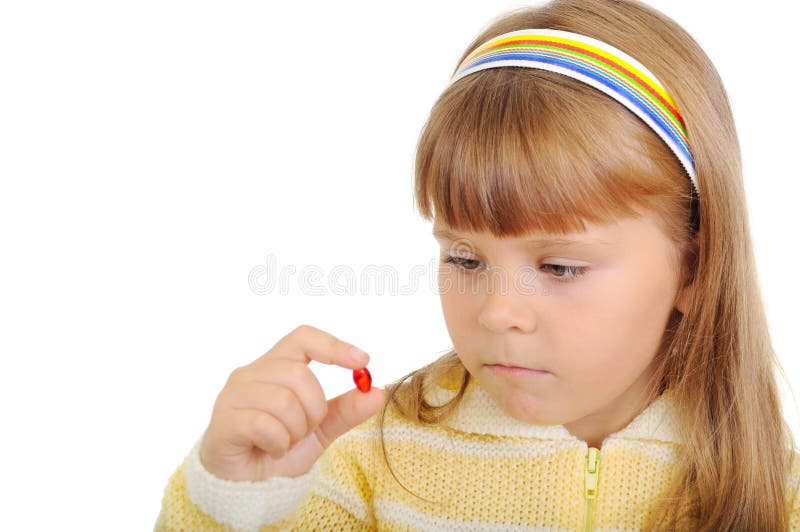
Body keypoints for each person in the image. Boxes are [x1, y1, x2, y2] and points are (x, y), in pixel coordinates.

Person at [155, 0, 800, 529]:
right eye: (464, 256)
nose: (497, 312)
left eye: (560, 268)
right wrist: (238, 502)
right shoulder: (366, 465)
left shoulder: (775, 485)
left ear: (694, 267)